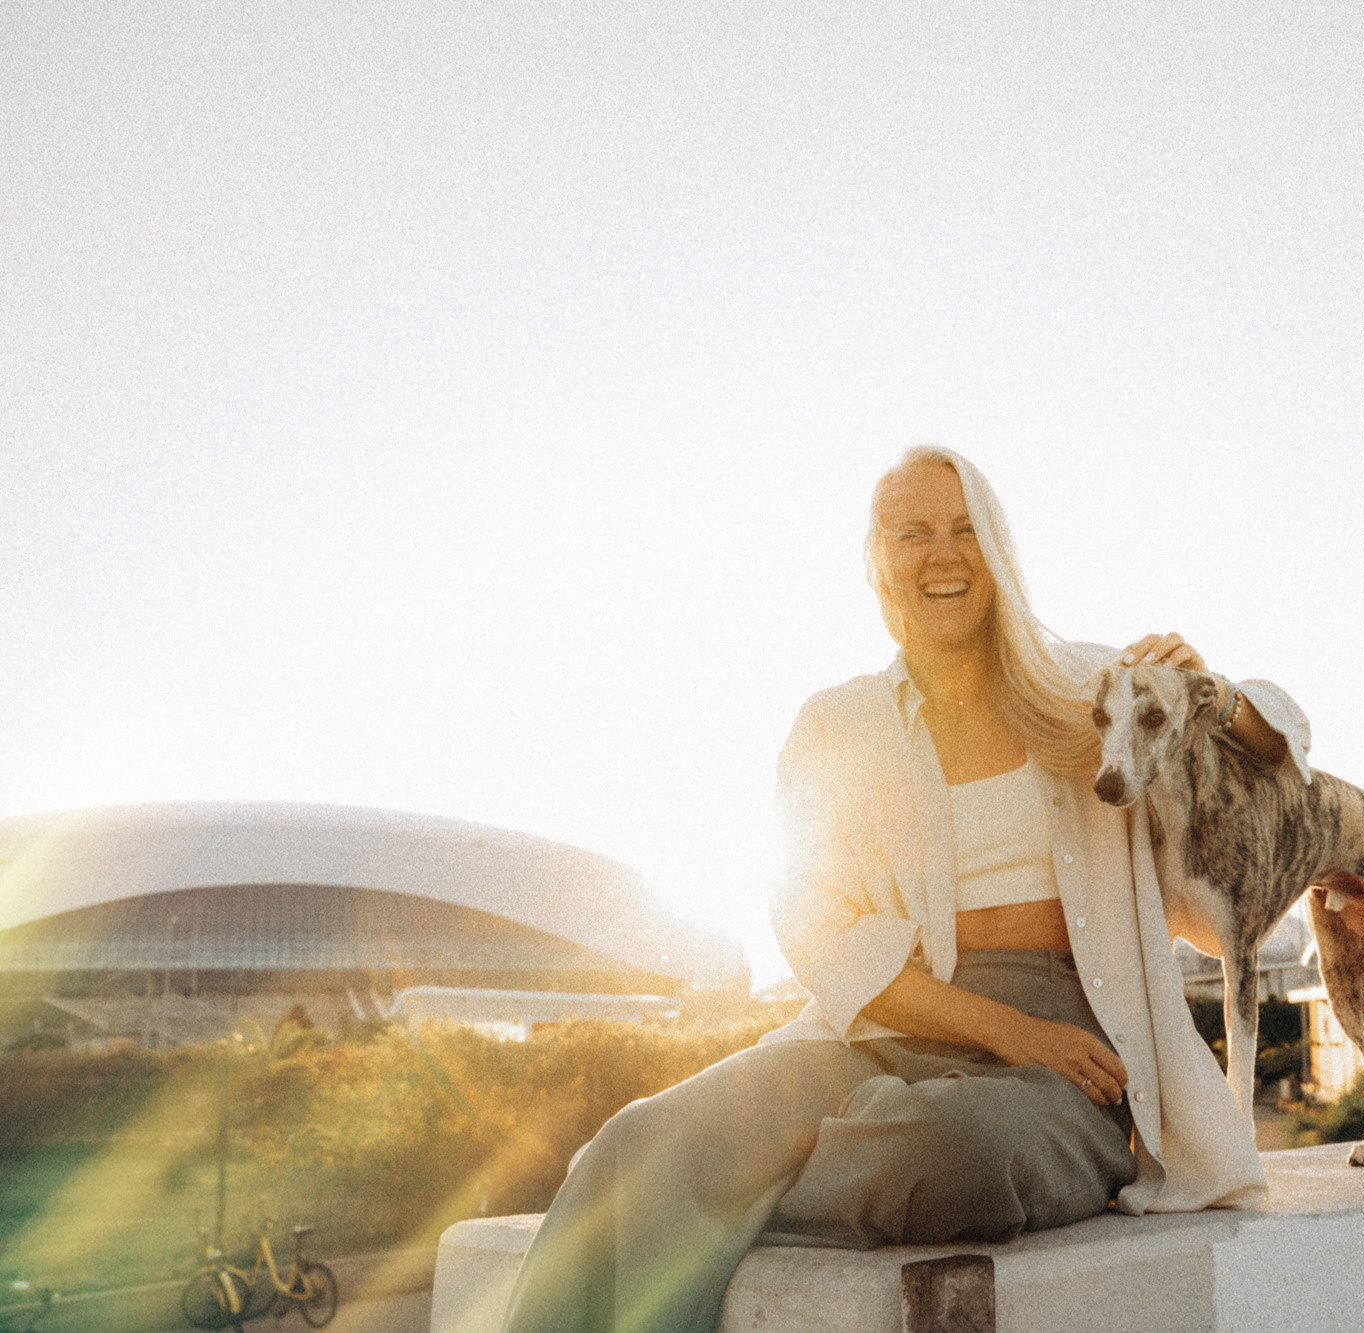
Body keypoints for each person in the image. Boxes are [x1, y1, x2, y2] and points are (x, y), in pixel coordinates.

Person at [500, 447, 1313, 1333]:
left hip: (1076, 1057)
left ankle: (735, 1181)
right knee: (637, 1143)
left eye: (966, 529)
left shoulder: (1094, 687)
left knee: (946, 1153)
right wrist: (1004, 1027)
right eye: (912, 532)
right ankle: (717, 1174)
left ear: (999, 549)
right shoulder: (834, 723)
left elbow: (1280, 745)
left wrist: (1216, 691)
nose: (943, 553)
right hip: (892, 1023)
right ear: (877, 560)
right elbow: (816, 927)